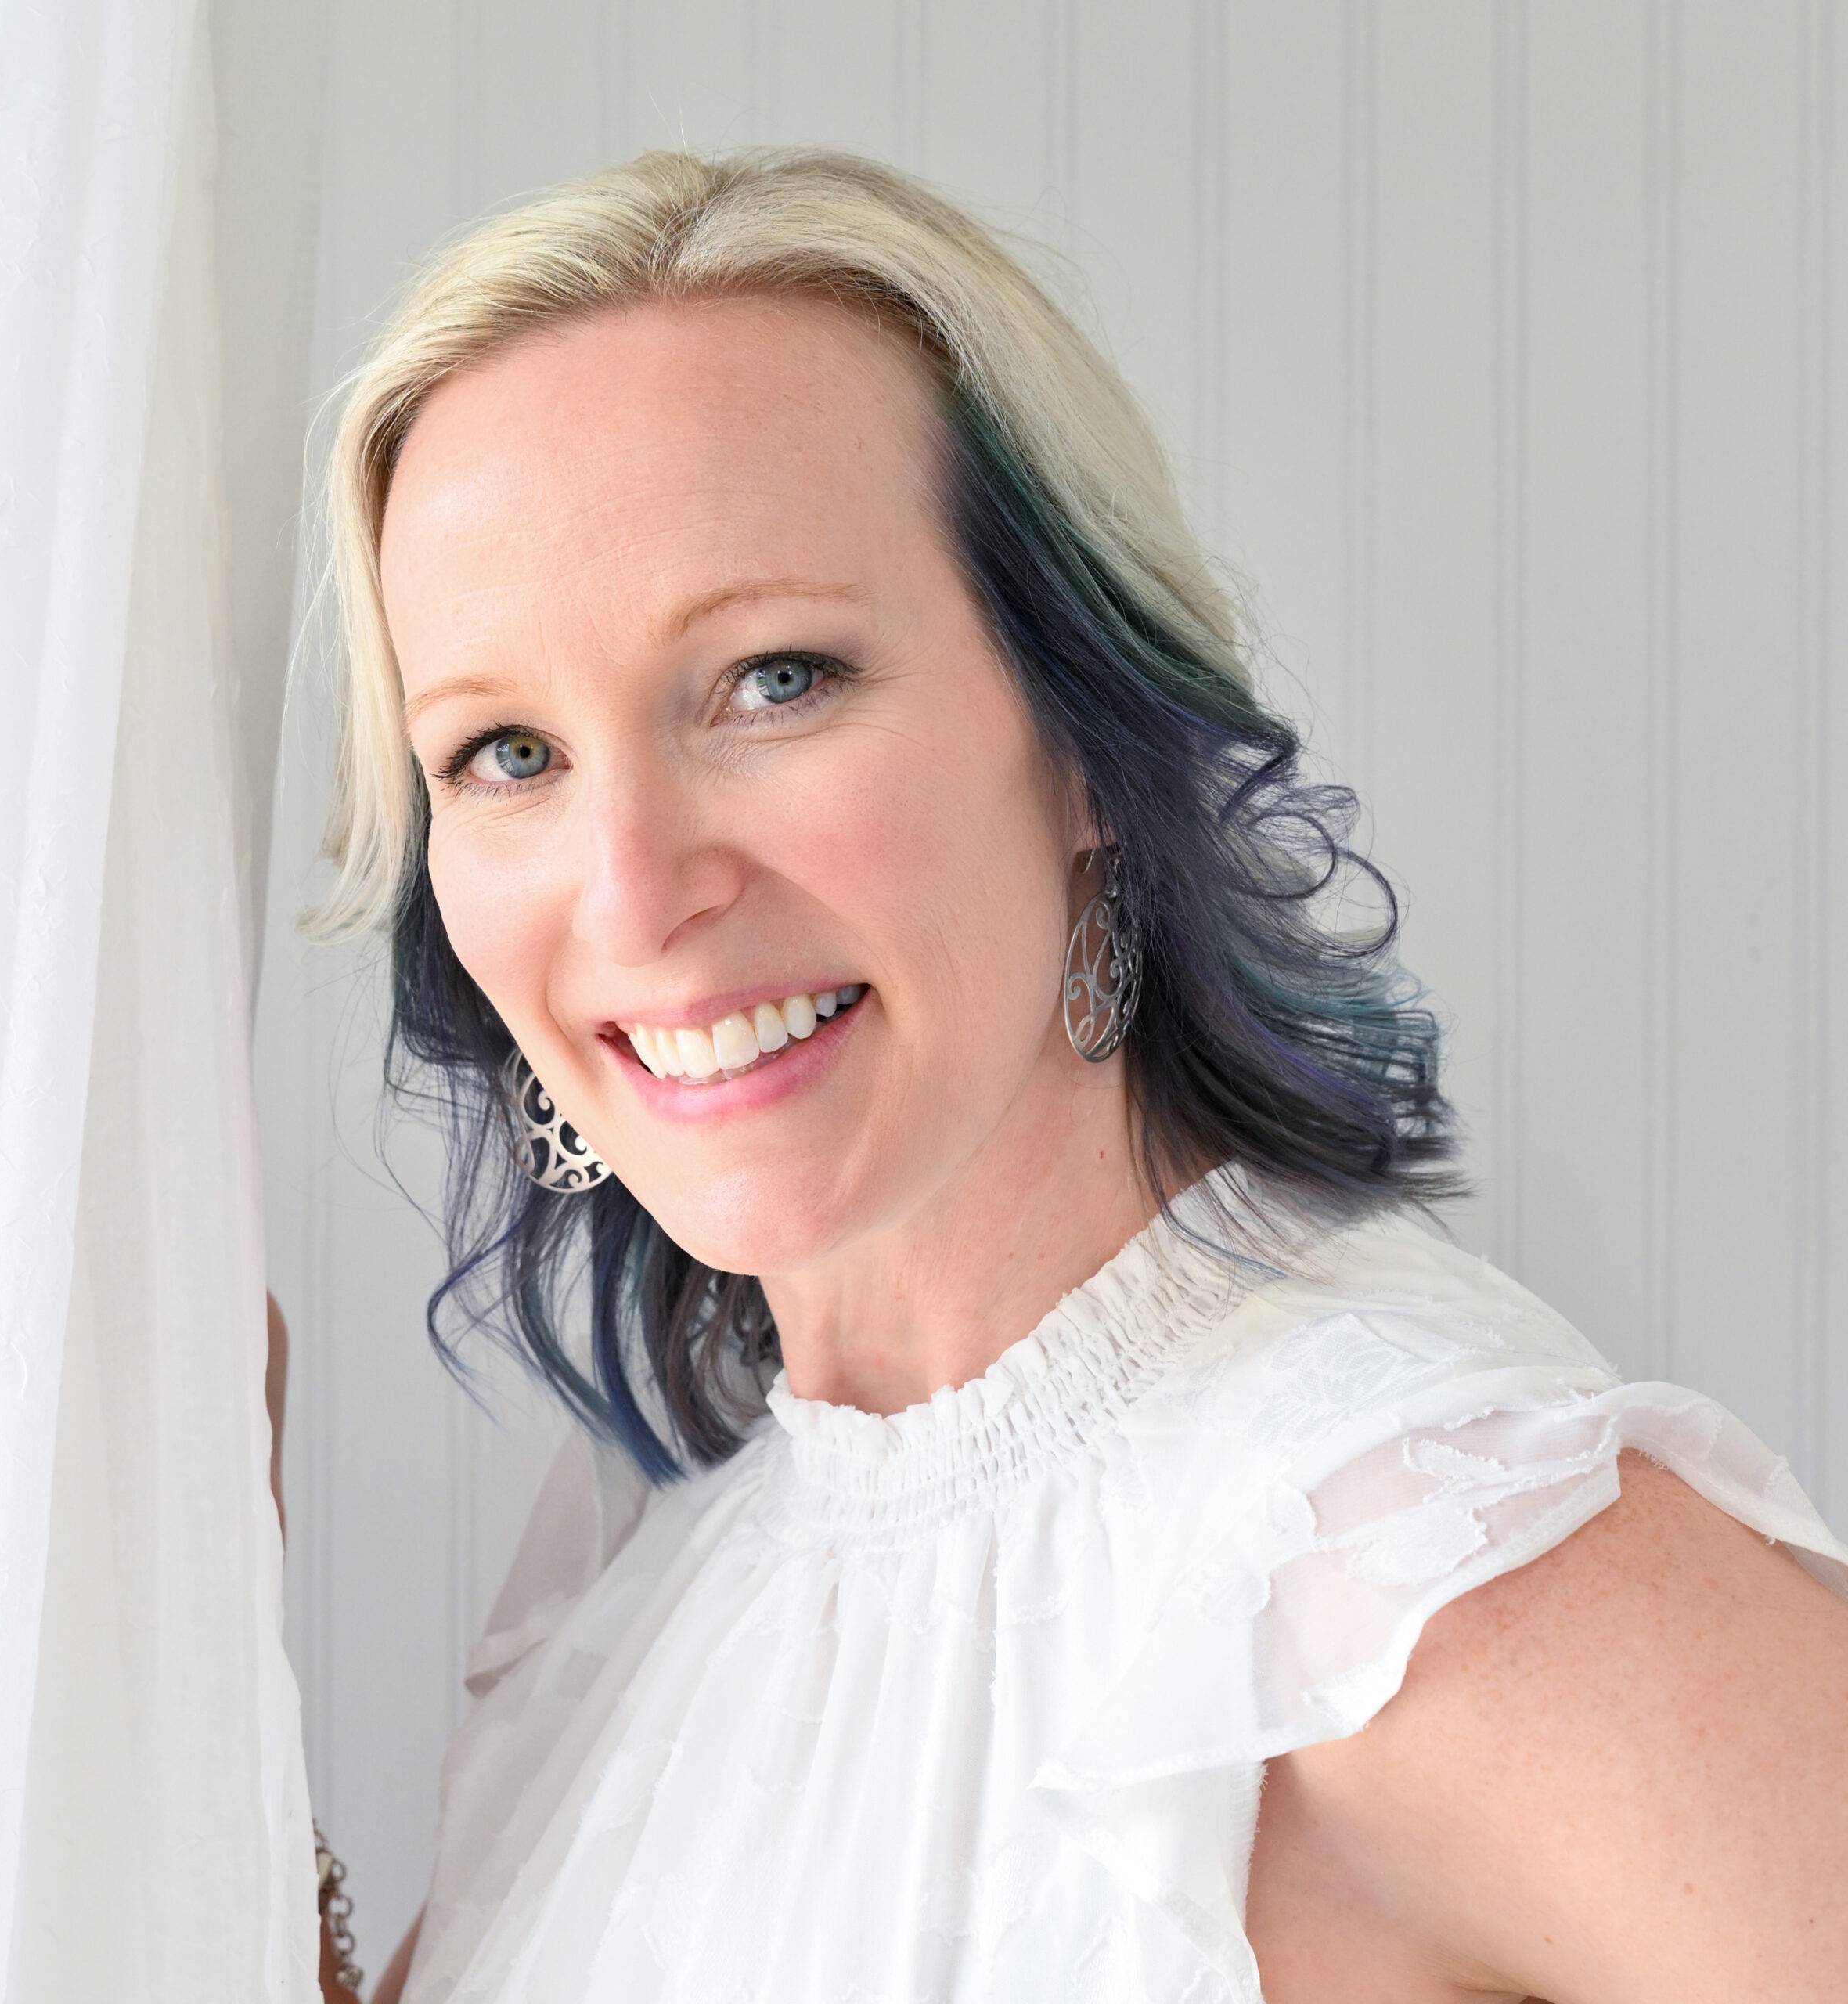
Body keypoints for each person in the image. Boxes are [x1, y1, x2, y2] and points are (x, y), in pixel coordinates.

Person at [285, 144, 1848, 2002]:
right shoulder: (644, 1580)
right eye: (506, 752)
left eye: (773, 677)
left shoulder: (1449, 1573)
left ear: (1090, 739)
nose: (633, 893)